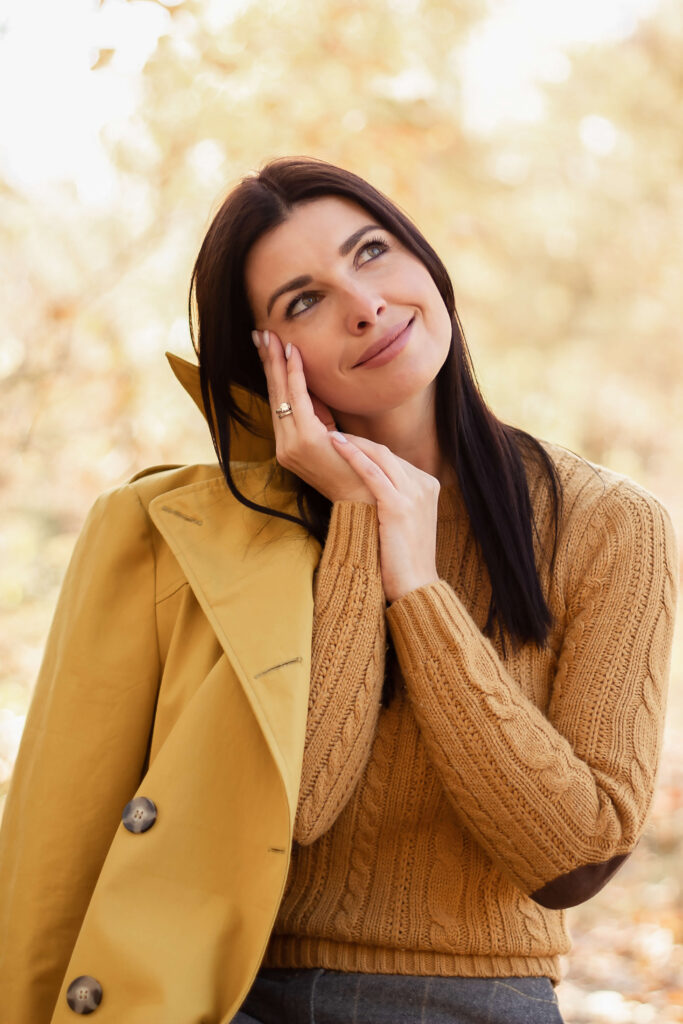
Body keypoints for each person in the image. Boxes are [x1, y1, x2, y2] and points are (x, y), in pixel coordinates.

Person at [0, 156, 678, 1024]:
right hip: (219, 993)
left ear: (426, 262)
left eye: (371, 252)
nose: (363, 305)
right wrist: (361, 512)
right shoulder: (198, 536)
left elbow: (570, 857)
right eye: (303, 301)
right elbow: (304, 804)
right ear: (265, 360)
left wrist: (417, 583)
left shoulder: (609, 524)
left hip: (473, 1002)